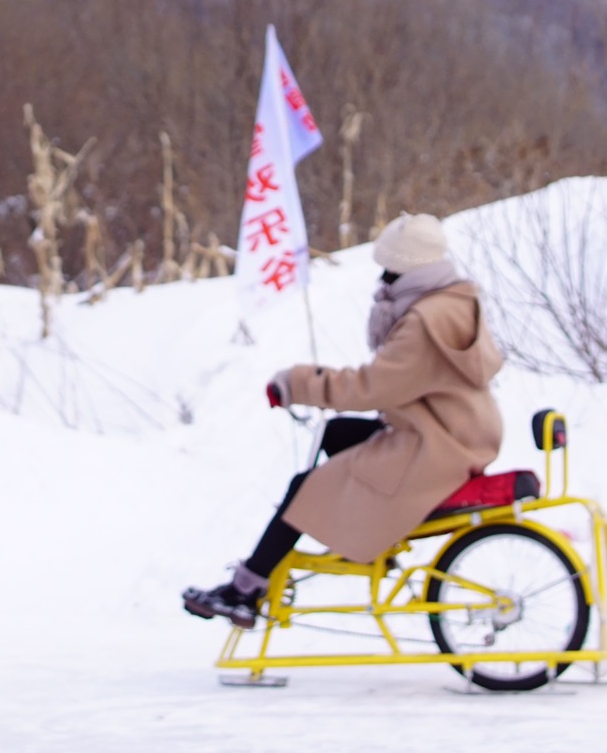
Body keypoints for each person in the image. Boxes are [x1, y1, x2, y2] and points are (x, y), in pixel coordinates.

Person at [183, 213, 504, 629]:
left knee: (305, 487)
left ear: (405, 267)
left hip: (437, 447)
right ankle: (355, 520)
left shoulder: (425, 321)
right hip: (456, 434)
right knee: (337, 435)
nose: (383, 277)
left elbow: (371, 388)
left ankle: (246, 589)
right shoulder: (453, 301)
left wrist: (297, 383)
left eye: (388, 267)